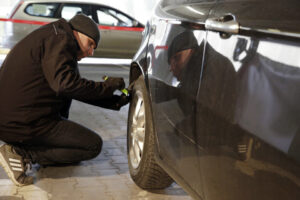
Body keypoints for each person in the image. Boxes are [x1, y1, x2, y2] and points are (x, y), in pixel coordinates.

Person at [0, 14, 129, 186]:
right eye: (90, 44)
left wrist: (113, 101)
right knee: (92, 145)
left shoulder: (55, 37)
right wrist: (108, 87)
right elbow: (66, 85)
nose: (90, 52)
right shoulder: (60, 40)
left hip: (14, 119)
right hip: (23, 123)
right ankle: (23, 153)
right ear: (78, 33)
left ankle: (27, 148)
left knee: (66, 112)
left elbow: (74, 88)